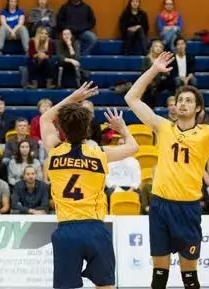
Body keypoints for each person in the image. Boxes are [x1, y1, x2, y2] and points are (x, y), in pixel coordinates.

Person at [124, 53, 209, 289]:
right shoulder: (163, 126)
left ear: (198, 108)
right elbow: (131, 97)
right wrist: (153, 70)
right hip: (161, 205)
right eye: (180, 99)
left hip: (188, 208)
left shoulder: (206, 132)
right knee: (158, 274)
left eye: (189, 100)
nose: (182, 103)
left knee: (189, 276)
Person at [40, 82, 140, 289]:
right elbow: (133, 147)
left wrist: (73, 97)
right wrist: (122, 129)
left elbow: (45, 118)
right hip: (94, 228)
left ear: (61, 129)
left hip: (66, 229)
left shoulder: (54, 150)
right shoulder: (99, 154)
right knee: (105, 286)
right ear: (88, 129)